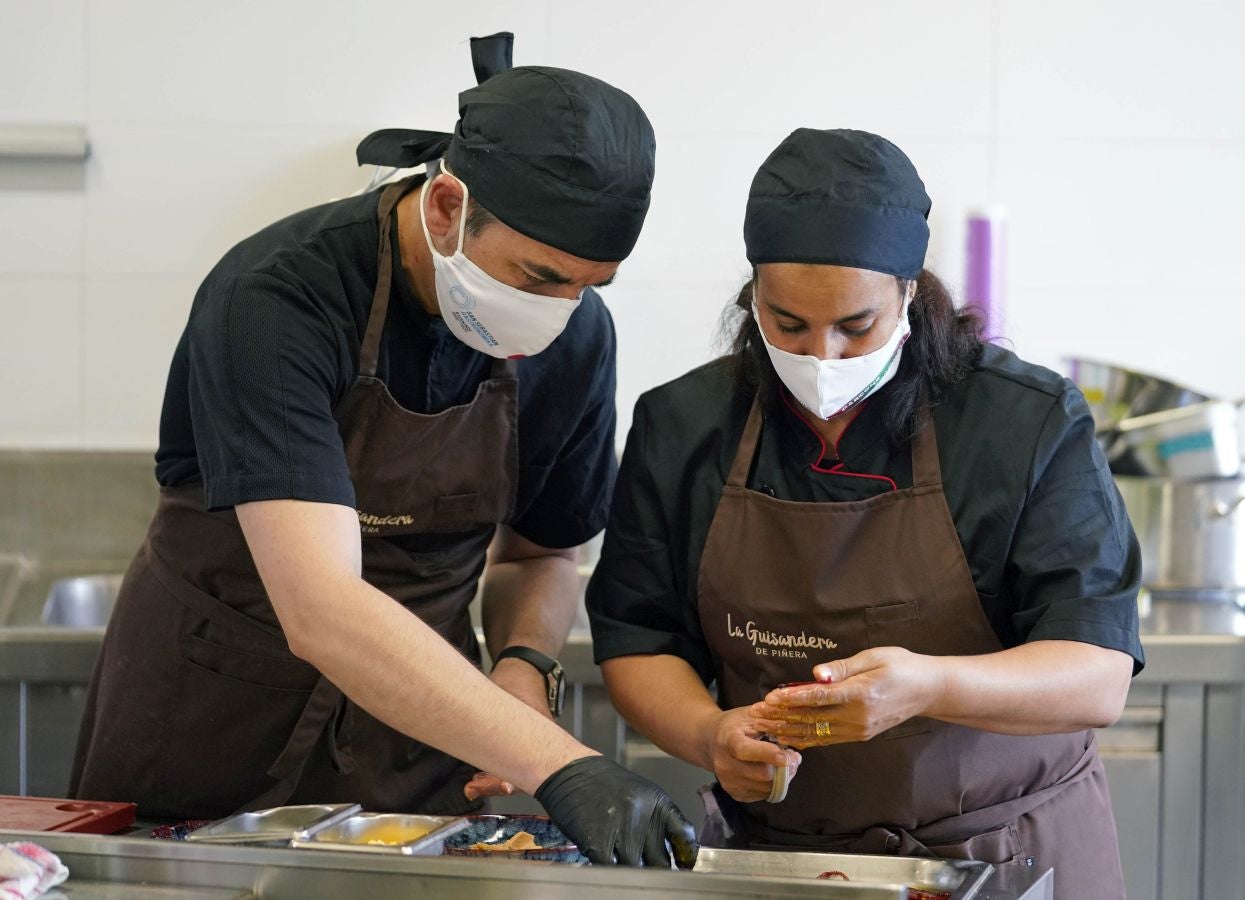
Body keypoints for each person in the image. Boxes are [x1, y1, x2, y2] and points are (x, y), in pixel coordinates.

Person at [70, 33, 696, 868]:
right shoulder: (278, 296)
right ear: (445, 207)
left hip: (417, 752)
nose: (559, 311)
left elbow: (541, 553)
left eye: (590, 286)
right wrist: (558, 763)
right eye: (539, 276)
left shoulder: (574, 341)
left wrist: (522, 670)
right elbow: (321, 606)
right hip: (207, 730)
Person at [586, 128, 1142, 893]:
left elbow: (1096, 676)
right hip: (785, 866)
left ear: (908, 293)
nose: (823, 356)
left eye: (856, 327)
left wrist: (930, 686)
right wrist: (710, 733)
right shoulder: (684, 424)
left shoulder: (1023, 422)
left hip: (1006, 856)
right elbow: (637, 639)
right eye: (787, 325)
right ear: (751, 299)